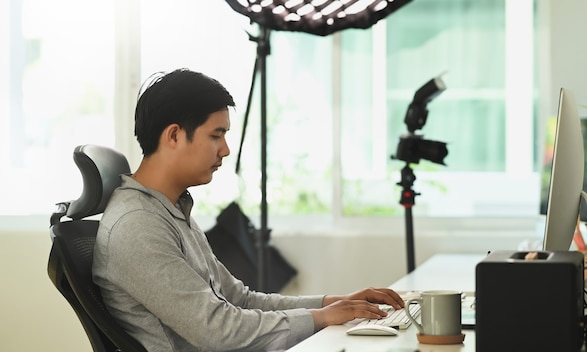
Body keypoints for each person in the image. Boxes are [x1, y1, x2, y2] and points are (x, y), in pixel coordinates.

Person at [92, 68, 405, 352]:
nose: (225, 150)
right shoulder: (138, 225)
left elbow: (238, 300)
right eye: (216, 135)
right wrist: (319, 318)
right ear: (173, 135)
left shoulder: (169, 209)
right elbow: (218, 330)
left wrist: (332, 304)